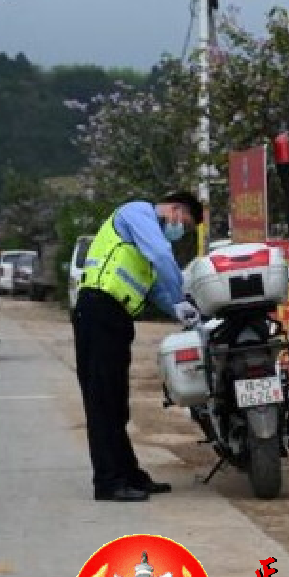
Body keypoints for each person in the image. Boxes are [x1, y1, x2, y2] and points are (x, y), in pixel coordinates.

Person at [74, 191, 204, 501]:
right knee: (102, 401)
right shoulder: (136, 212)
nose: (180, 230)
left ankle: (129, 473)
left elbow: (158, 289)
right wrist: (180, 300)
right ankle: (108, 482)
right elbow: (162, 258)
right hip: (97, 310)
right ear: (174, 209)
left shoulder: (144, 245)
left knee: (117, 402)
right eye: (183, 223)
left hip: (115, 318)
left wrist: (184, 311)